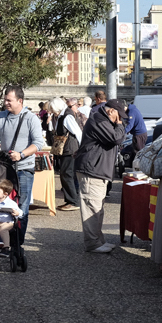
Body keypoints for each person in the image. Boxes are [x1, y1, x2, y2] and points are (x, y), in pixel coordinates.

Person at [0, 85, 46, 248]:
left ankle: (17, 243)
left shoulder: (31, 118)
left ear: (20, 101)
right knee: (0, 202)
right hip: (5, 168)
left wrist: (21, 154)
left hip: (24, 168)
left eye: (9, 100)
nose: (5, 103)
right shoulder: (1, 116)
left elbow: (38, 143)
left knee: (20, 207)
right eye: (5, 100)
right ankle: (2, 238)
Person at [74, 98, 127, 254]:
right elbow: (116, 138)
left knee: (97, 208)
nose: (121, 119)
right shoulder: (99, 120)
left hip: (97, 169)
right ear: (111, 111)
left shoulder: (102, 119)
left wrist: (117, 124)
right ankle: (92, 243)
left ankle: (98, 240)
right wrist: (118, 124)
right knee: (92, 207)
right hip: (92, 170)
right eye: (119, 115)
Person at [49, 96, 81, 211]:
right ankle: (70, 200)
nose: (52, 112)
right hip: (67, 150)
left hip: (70, 150)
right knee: (66, 175)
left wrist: (81, 149)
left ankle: (73, 201)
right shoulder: (63, 116)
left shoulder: (67, 116)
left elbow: (78, 133)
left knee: (67, 175)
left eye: (52, 109)